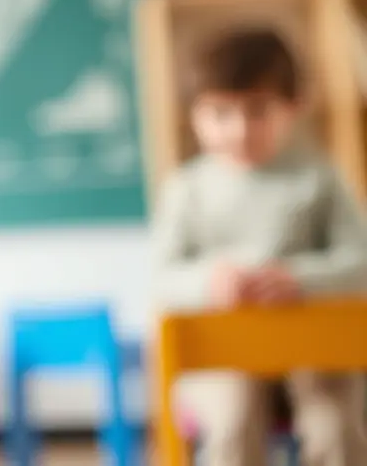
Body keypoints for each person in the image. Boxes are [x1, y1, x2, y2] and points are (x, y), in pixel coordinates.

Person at [153, 29, 367, 466]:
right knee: (232, 423)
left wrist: (300, 280)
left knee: (335, 426)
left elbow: (360, 262)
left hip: (316, 349)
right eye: (220, 112)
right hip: (221, 354)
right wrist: (209, 282)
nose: (239, 129)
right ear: (193, 115)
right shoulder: (186, 189)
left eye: (257, 110)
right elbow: (162, 277)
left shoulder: (321, 178)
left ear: (294, 106)